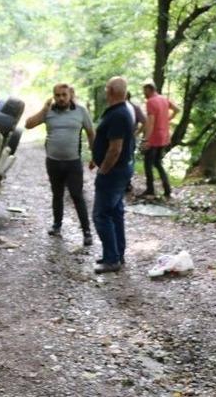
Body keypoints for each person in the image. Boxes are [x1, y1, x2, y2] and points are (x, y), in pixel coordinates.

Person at [25, 83, 94, 245]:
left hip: (73, 163)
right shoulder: (48, 111)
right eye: (57, 95)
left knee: (77, 195)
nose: (61, 98)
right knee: (57, 194)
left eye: (64, 95)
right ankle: (57, 225)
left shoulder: (81, 111)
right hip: (53, 162)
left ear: (70, 95)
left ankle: (87, 231)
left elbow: (91, 133)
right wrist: (43, 110)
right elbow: (28, 125)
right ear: (53, 96)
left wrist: (94, 155)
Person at [90, 77, 135, 273]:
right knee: (115, 213)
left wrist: (103, 169)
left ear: (110, 91)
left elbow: (115, 149)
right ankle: (117, 254)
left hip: (114, 172)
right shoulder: (124, 110)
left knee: (101, 215)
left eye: (106, 89)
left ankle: (111, 259)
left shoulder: (118, 114)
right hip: (121, 170)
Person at [140, 81, 179, 199]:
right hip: (164, 137)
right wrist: (168, 119)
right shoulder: (163, 99)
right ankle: (167, 189)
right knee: (157, 163)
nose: (143, 93)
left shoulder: (151, 102)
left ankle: (150, 190)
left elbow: (150, 123)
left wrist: (146, 140)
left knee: (148, 164)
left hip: (154, 138)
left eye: (144, 90)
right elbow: (177, 109)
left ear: (149, 89)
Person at [125, 91, 146, 192]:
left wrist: (137, 133)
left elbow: (145, 122)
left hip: (129, 138)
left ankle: (127, 182)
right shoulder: (134, 107)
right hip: (125, 137)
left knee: (129, 159)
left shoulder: (134, 108)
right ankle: (125, 181)